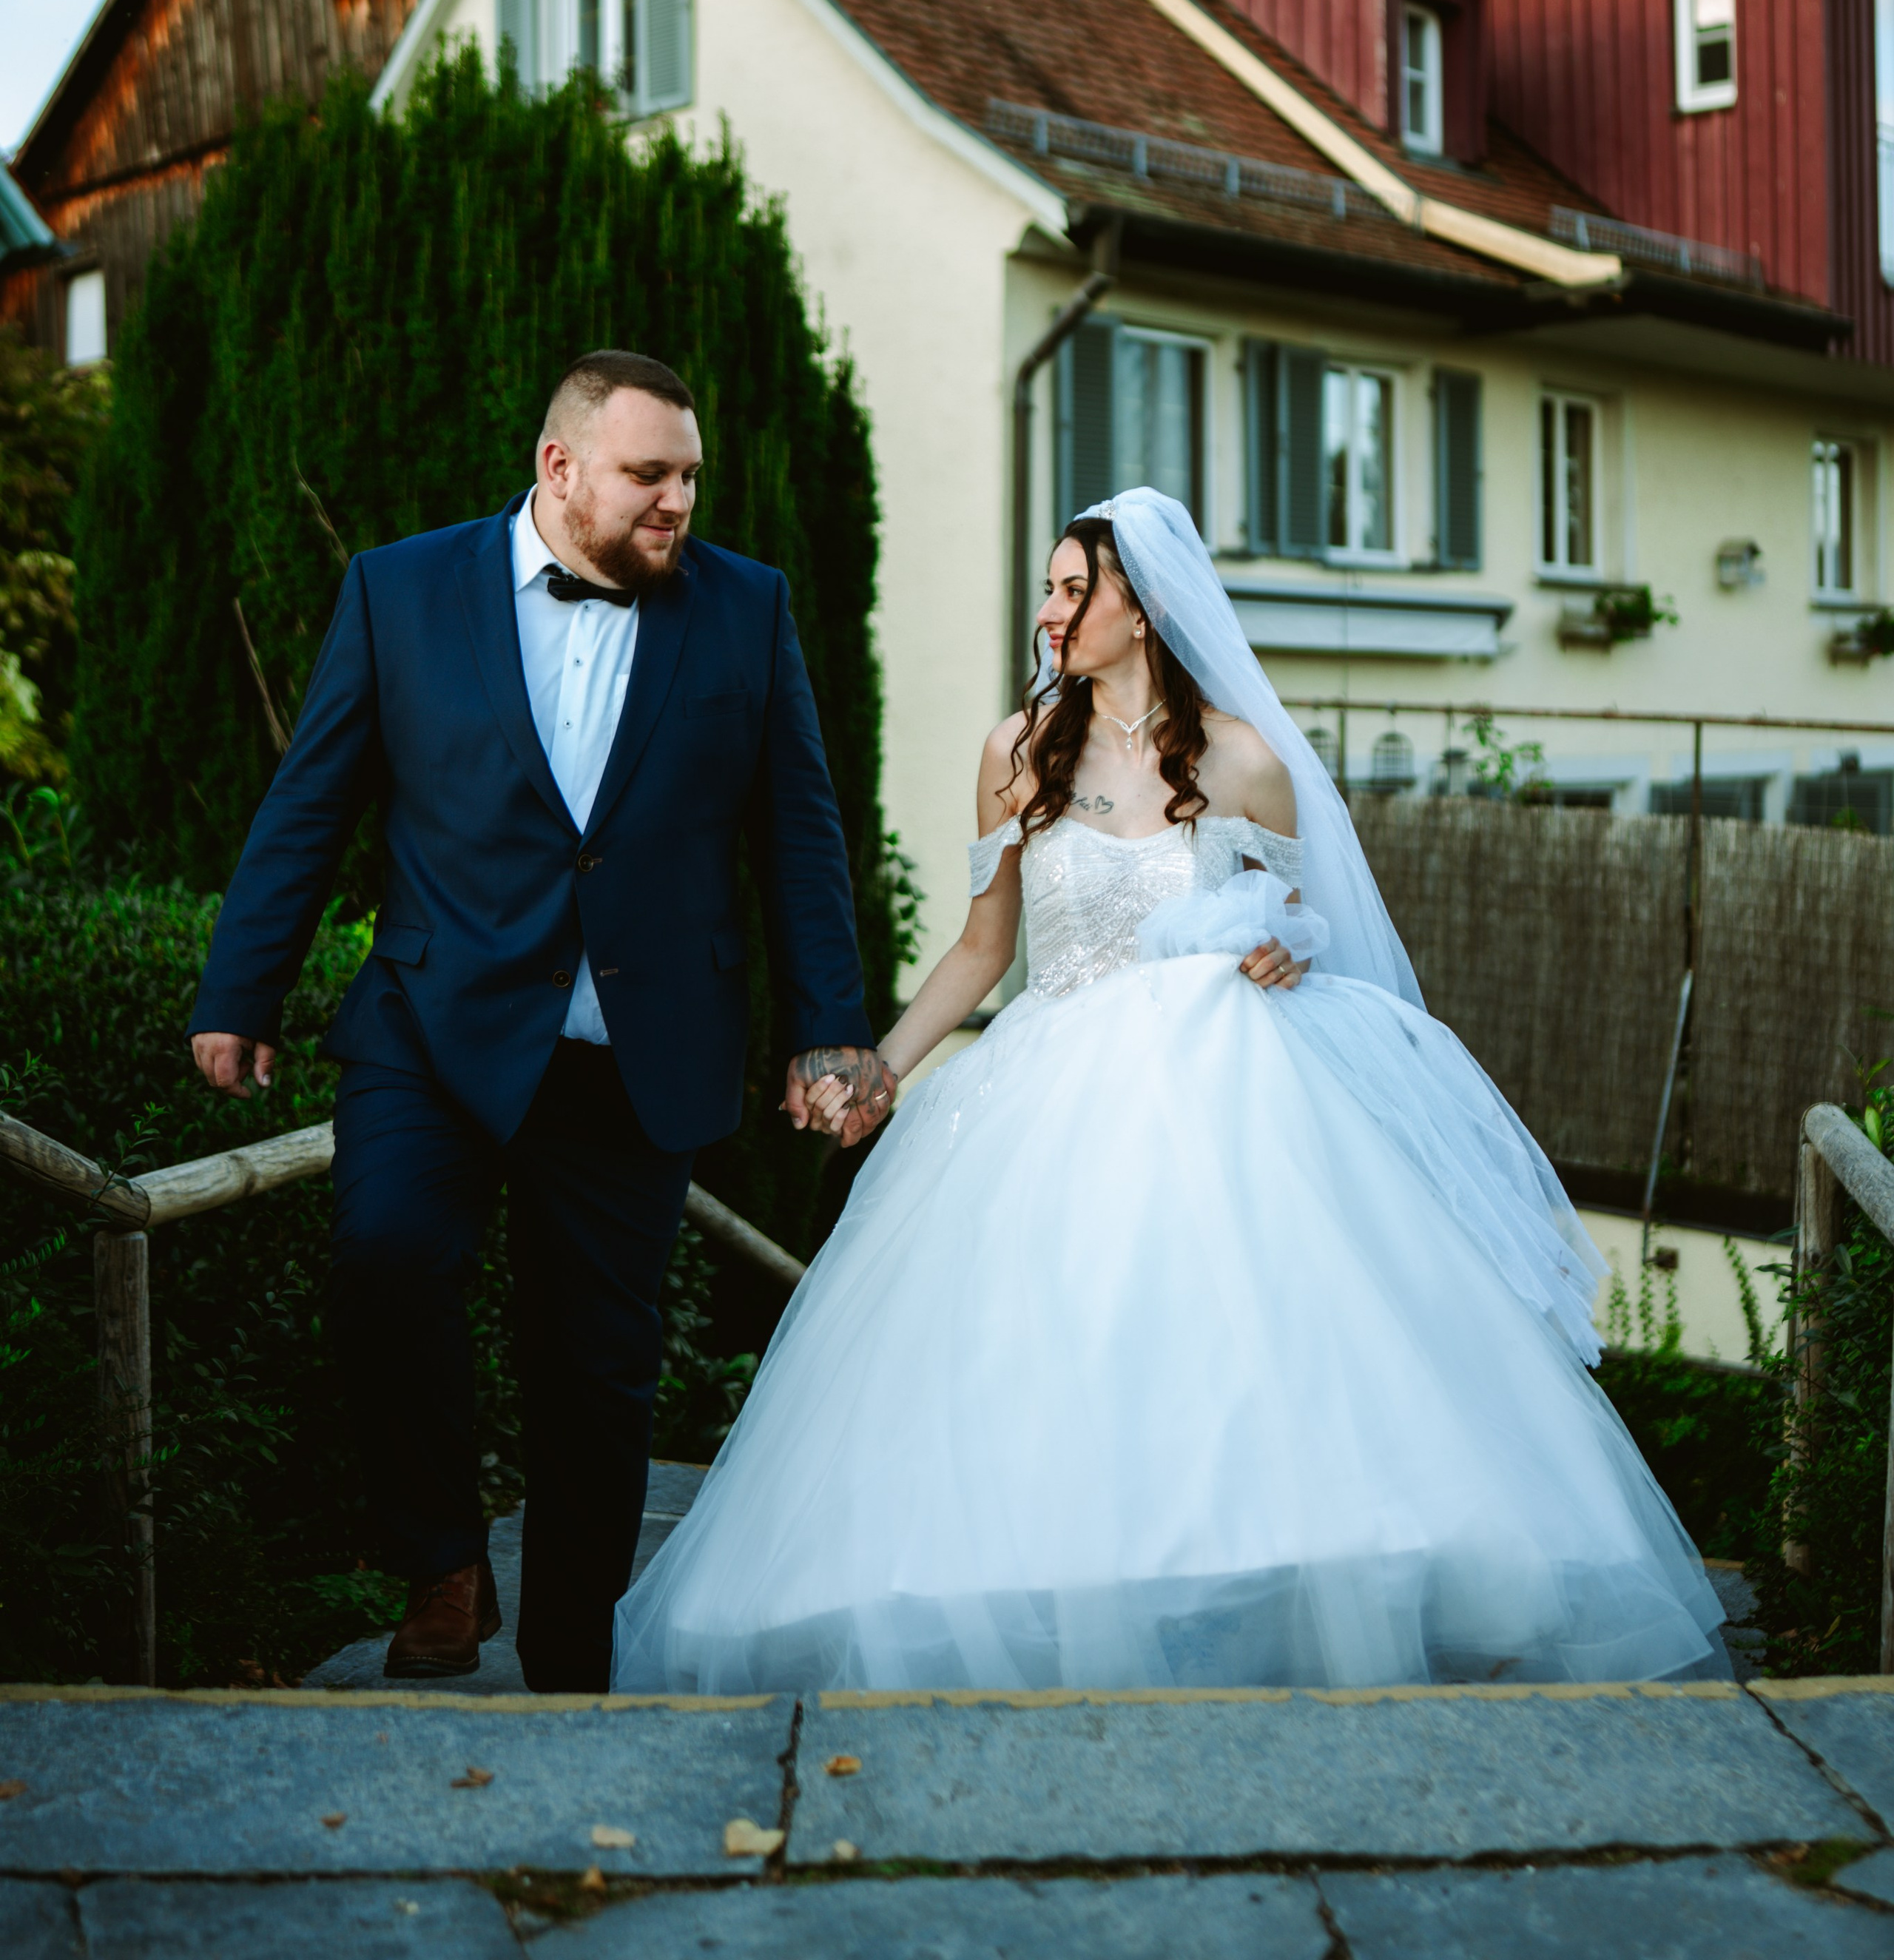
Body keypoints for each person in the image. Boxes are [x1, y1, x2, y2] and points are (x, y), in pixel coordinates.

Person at [612, 486, 1727, 1694]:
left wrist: (1283, 943)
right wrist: (882, 1062)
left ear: (1138, 606)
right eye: (1045, 589)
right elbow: (986, 948)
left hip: (1229, 1097)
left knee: (1256, 1360)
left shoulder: (1247, 760)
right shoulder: (1015, 752)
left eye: (1069, 589)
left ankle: (1262, 1595)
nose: (1046, 613)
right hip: (1052, 1095)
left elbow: (1304, 922)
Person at [189, 350, 882, 1691]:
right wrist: (241, 988)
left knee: (598, 1368)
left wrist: (829, 1028)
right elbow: (312, 798)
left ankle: (573, 1653)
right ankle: (442, 1558)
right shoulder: (401, 587)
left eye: (689, 474)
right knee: (385, 1256)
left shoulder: (747, 610)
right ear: (560, 469)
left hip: (634, 1055)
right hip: (430, 1020)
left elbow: (799, 832)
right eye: (648, 474)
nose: (678, 499)